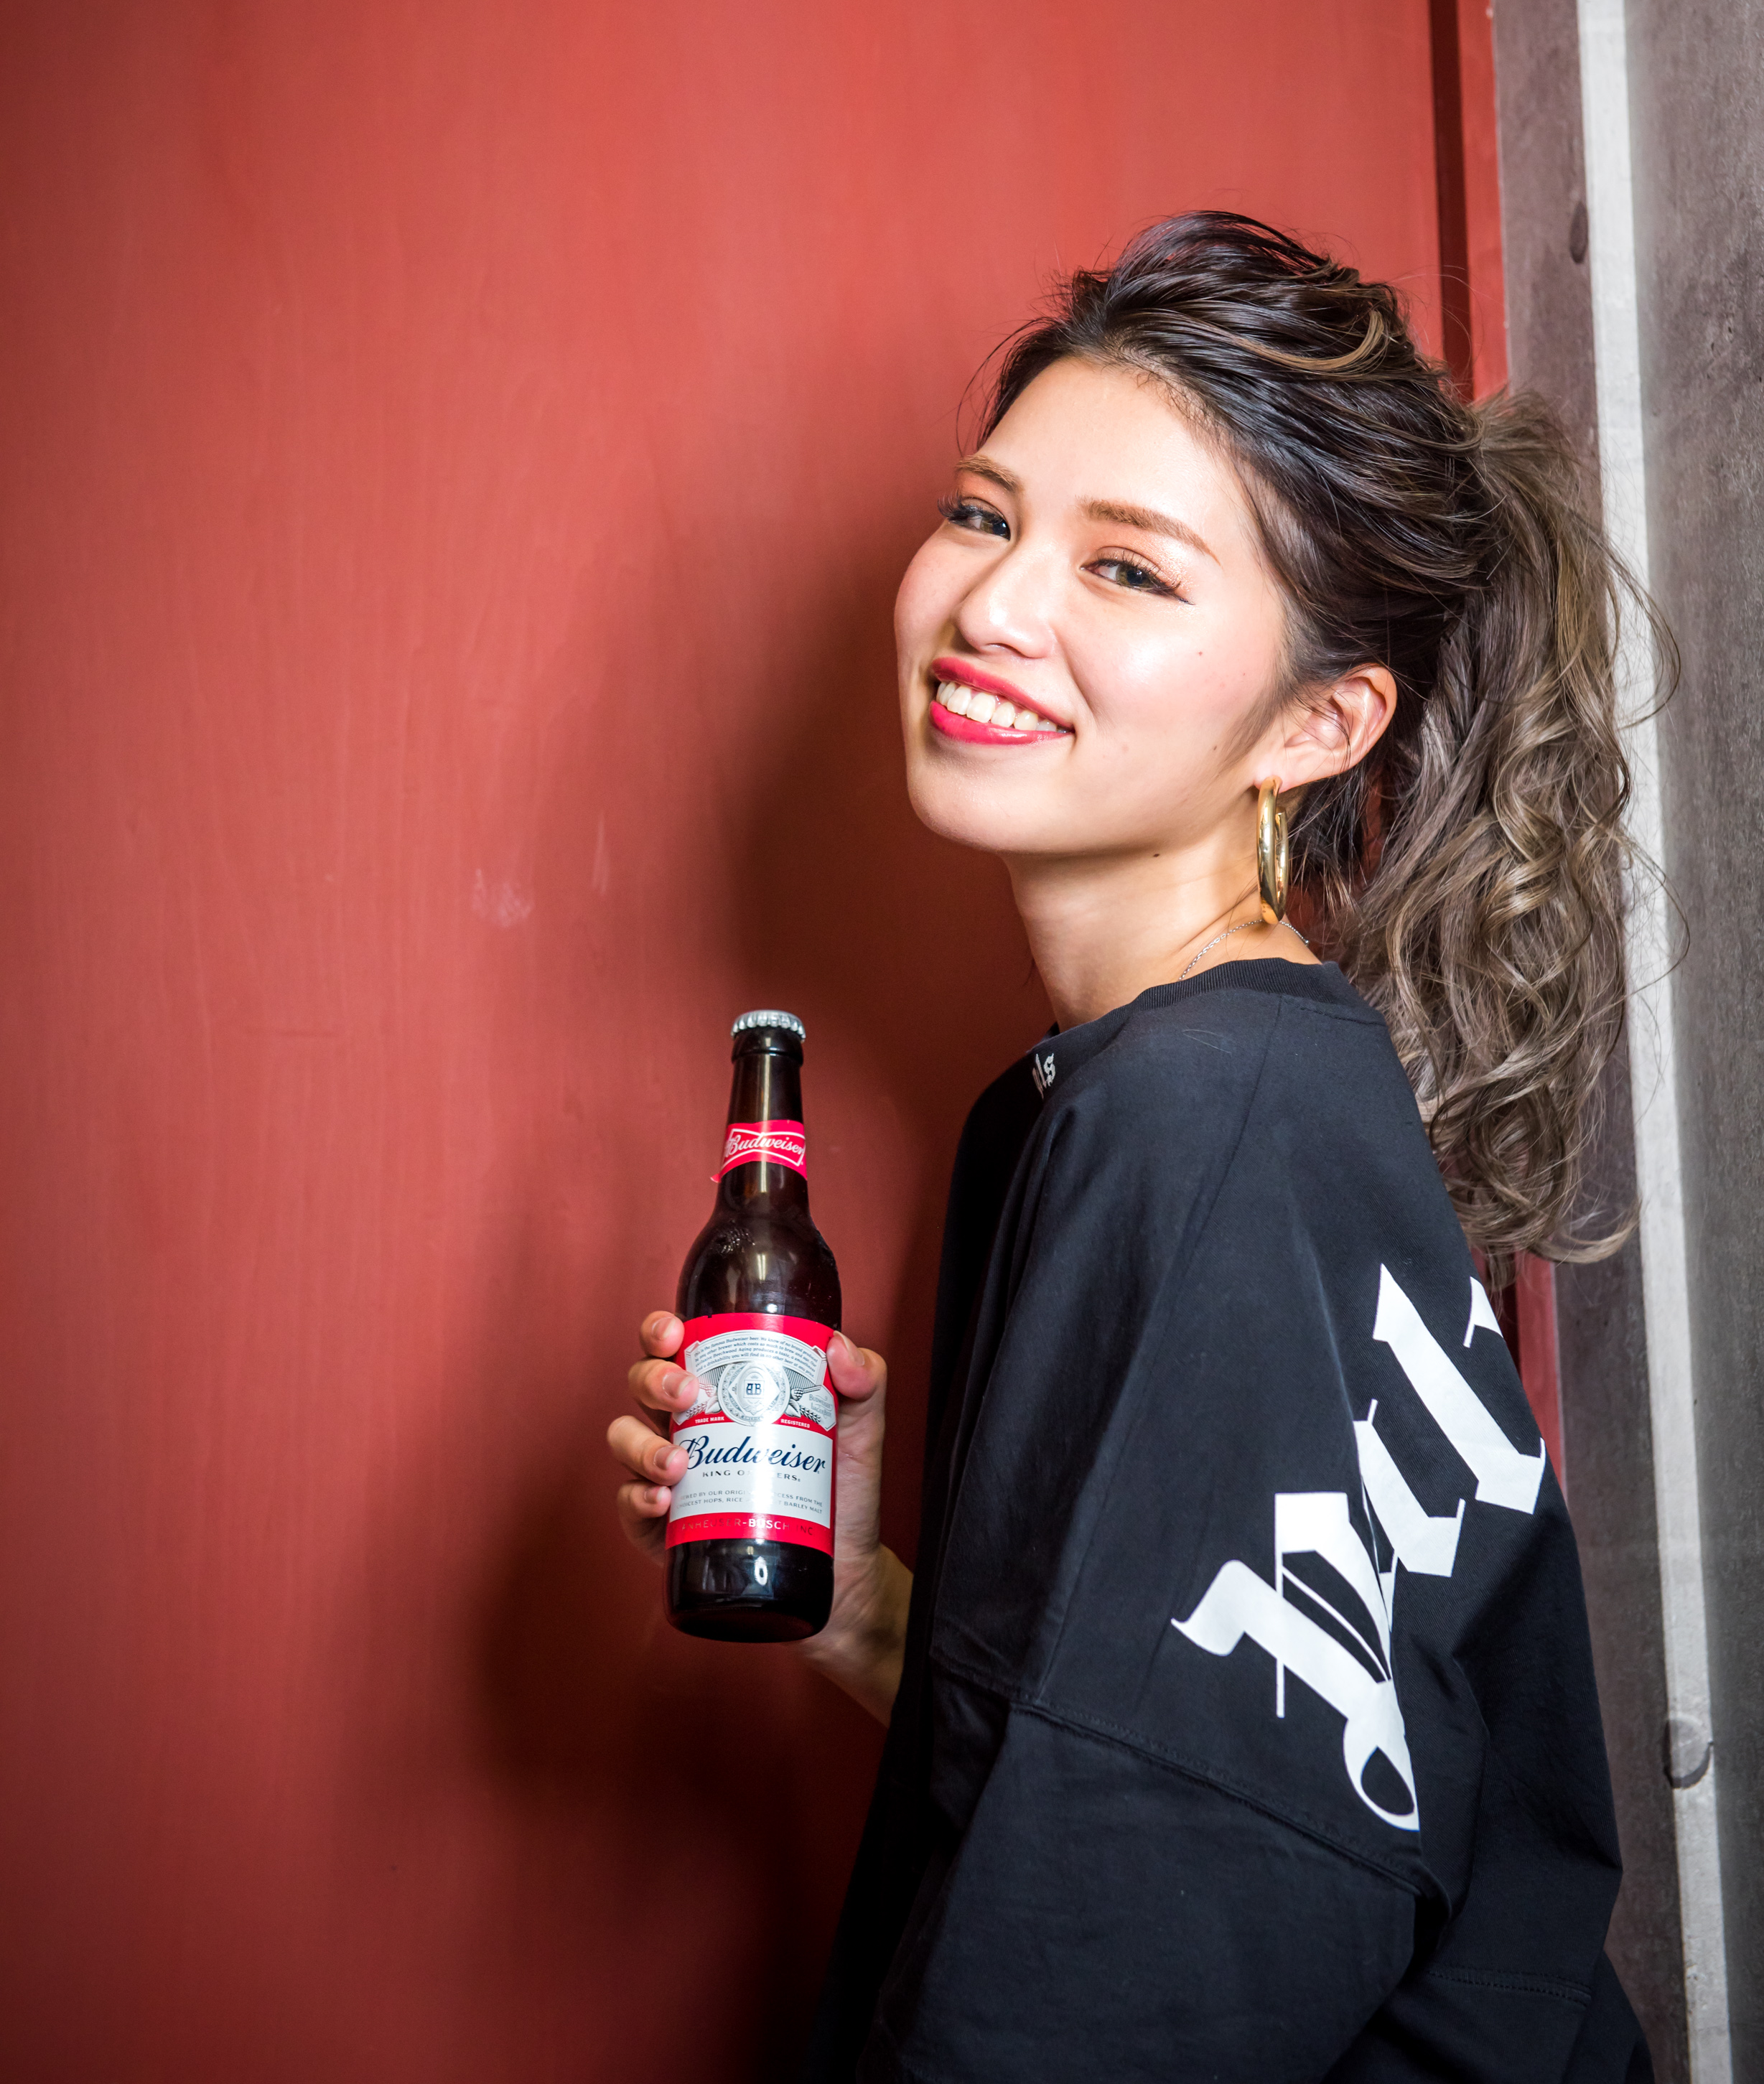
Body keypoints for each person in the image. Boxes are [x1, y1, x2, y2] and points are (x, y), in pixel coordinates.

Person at [608, 213, 1658, 2080]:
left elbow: (1145, 1938)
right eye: (982, 515)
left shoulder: (1204, 1112)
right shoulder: (1139, 1095)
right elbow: (1190, 1751)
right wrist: (866, 1614)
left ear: (1318, 722)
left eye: (1126, 567)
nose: (996, 606)